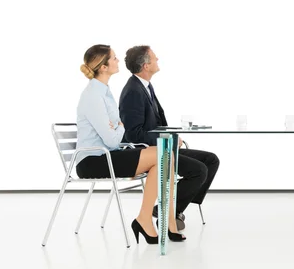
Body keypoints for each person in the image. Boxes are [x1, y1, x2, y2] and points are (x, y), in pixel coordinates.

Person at [76, 44, 185, 244]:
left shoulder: (104, 92)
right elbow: (113, 137)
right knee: (163, 154)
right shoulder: (93, 96)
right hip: (94, 160)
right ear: (103, 67)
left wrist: (117, 127)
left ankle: (154, 219)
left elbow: (116, 132)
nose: (118, 61)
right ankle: (147, 220)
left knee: (163, 156)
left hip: (110, 154)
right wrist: (119, 127)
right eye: (114, 58)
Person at [119, 45, 220, 231]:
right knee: (199, 170)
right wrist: (168, 140)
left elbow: (155, 124)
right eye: (155, 58)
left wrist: (172, 135)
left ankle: (176, 209)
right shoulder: (133, 91)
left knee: (211, 160)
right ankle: (170, 211)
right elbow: (134, 134)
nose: (158, 60)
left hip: (162, 148)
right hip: (147, 153)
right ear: (145, 65)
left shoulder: (146, 87)